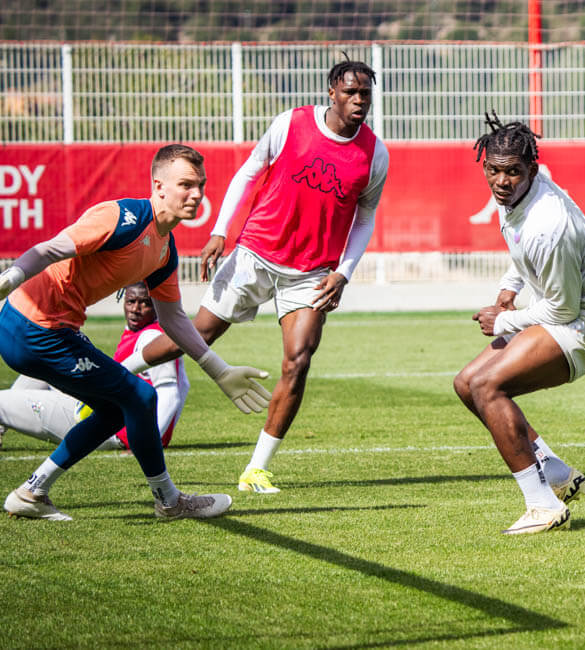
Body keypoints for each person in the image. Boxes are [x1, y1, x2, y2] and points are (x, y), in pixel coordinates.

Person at [130, 59, 389, 494]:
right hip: (255, 253)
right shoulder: (291, 123)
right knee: (197, 335)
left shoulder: (375, 154)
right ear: (332, 92)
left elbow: (365, 218)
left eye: (365, 93)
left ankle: (256, 470)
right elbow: (249, 171)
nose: (358, 100)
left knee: (298, 361)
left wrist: (344, 273)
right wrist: (220, 231)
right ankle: (114, 375)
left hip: (311, 273)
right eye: (350, 91)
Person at [0, 144, 271, 521]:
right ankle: (169, 501)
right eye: (186, 185)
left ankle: (32, 491)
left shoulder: (164, 251)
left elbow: (173, 319)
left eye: (201, 185)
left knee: (116, 409)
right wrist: (11, 277)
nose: (196, 194)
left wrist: (219, 369)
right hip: (34, 328)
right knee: (140, 397)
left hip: (43, 330)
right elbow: (50, 250)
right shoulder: (123, 217)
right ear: (159, 186)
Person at [453, 112, 585, 535]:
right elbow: (521, 251)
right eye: (493, 170)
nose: (501, 181)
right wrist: (509, 287)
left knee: (487, 387)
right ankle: (555, 473)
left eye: (512, 172)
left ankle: (542, 505)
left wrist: (505, 320)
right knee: (466, 384)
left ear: (531, 170)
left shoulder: (549, 224)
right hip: (567, 314)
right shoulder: (519, 197)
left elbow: (564, 310)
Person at [0, 282, 189, 452]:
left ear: (156, 306)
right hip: (103, 411)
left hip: (112, 427)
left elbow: (170, 392)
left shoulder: (151, 337)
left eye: (145, 303)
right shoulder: (142, 333)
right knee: (40, 366)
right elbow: (184, 385)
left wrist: (148, 442)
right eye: (131, 302)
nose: (135, 309)